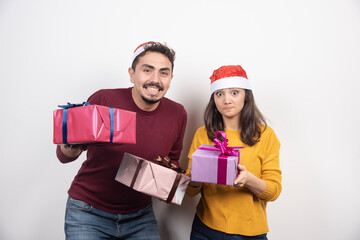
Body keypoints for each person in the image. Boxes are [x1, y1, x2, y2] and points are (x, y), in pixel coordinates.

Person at [56, 41, 187, 240]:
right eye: (147, 70)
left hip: (140, 217)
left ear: (170, 79)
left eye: (163, 72)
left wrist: (172, 185)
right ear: (132, 74)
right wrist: (72, 142)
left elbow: (173, 160)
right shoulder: (104, 99)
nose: (155, 79)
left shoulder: (177, 113)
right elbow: (64, 156)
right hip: (88, 212)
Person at [185, 65, 282, 240]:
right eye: (219, 94)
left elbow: (274, 191)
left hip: (250, 233)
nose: (226, 100)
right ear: (213, 99)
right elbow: (190, 191)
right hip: (204, 228)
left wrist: (248, 179)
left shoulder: (265, 136)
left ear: (246, 96)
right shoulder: (202, 134)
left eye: (234, 92)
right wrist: (194, 177)